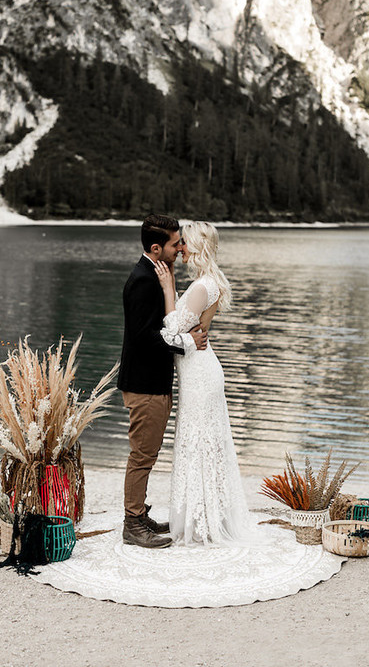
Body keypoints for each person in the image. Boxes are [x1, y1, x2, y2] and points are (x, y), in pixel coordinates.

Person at [155, 221, 252, 545]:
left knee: (199, 444)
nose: (180, 248)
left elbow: (170, 331)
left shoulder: (201, 287)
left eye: (184, 243)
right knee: (202, 446)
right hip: (199, 371)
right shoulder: (206, 282)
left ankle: (204, 523)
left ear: (196, 246)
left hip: (200, 375)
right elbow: (183, 331)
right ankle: (205, 517)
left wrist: (168, 291)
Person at [117, 214, 208, 549]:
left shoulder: (157, 273)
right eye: (174, 243)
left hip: (153, 382)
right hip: (143, 385)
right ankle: (132, 523)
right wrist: (188, 342)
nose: (179, 247)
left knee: (148, 453)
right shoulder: (142, 279)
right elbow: (144, 338)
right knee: (142, 456)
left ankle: (140, 515)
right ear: (156, 247)